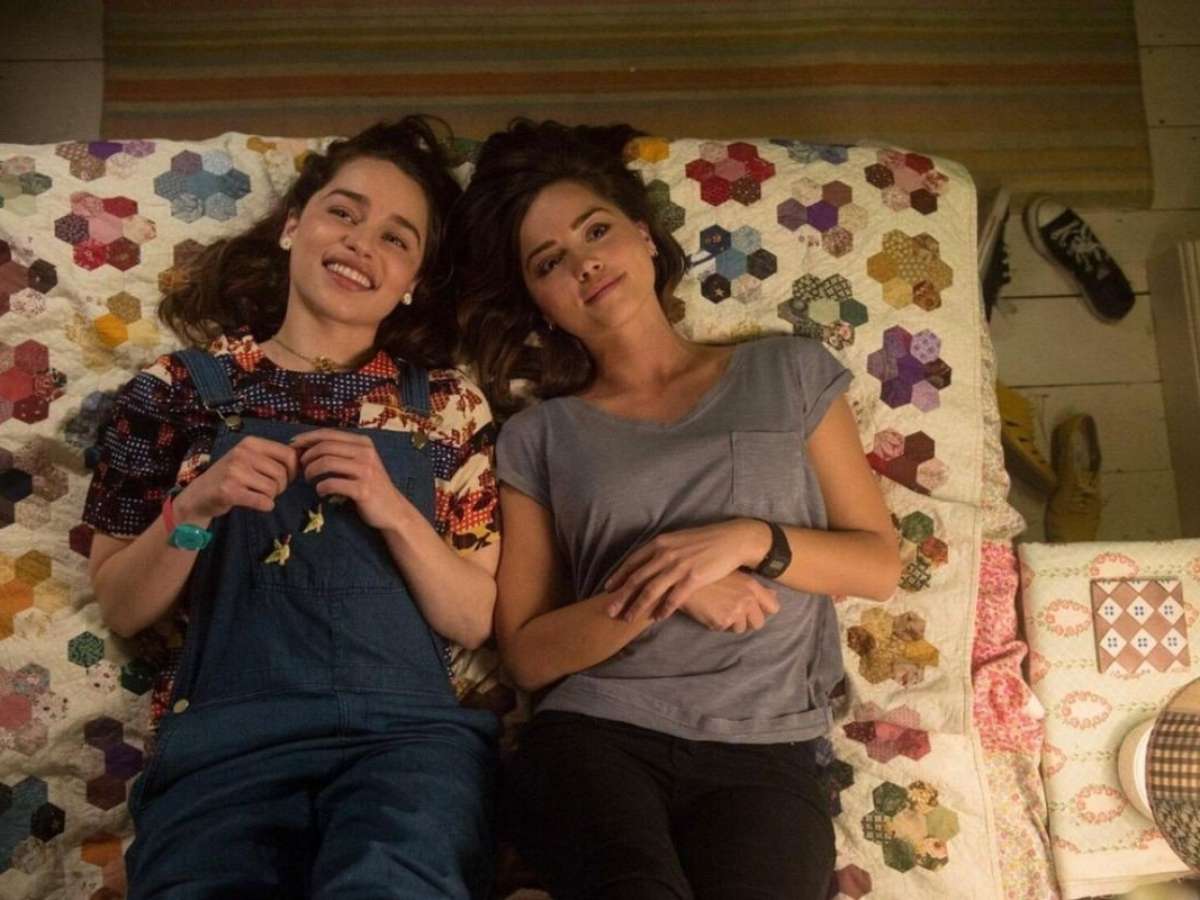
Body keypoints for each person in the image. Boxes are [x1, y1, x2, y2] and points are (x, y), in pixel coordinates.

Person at [453, 120, 902, 900]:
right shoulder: (540, 435)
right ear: (540, 304)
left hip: (765, 749)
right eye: (549, 263)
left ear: (643, 235)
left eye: (596, 230)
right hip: (596, 736)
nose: (585, 262)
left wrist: (745, 540)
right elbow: (526, 655)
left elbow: (879, 565)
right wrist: (667, 588)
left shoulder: (789, 372)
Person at [83, 117, 501, 899]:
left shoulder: (448, 407)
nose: (361, 244)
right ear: (292, 227)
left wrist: (392, 509)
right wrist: (195, 506)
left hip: (406, 746)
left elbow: (475, 618)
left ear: (413, 279)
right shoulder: (174, 390)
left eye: (397, 237)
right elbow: (121, 604)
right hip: (226, 747)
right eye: (344, 213)